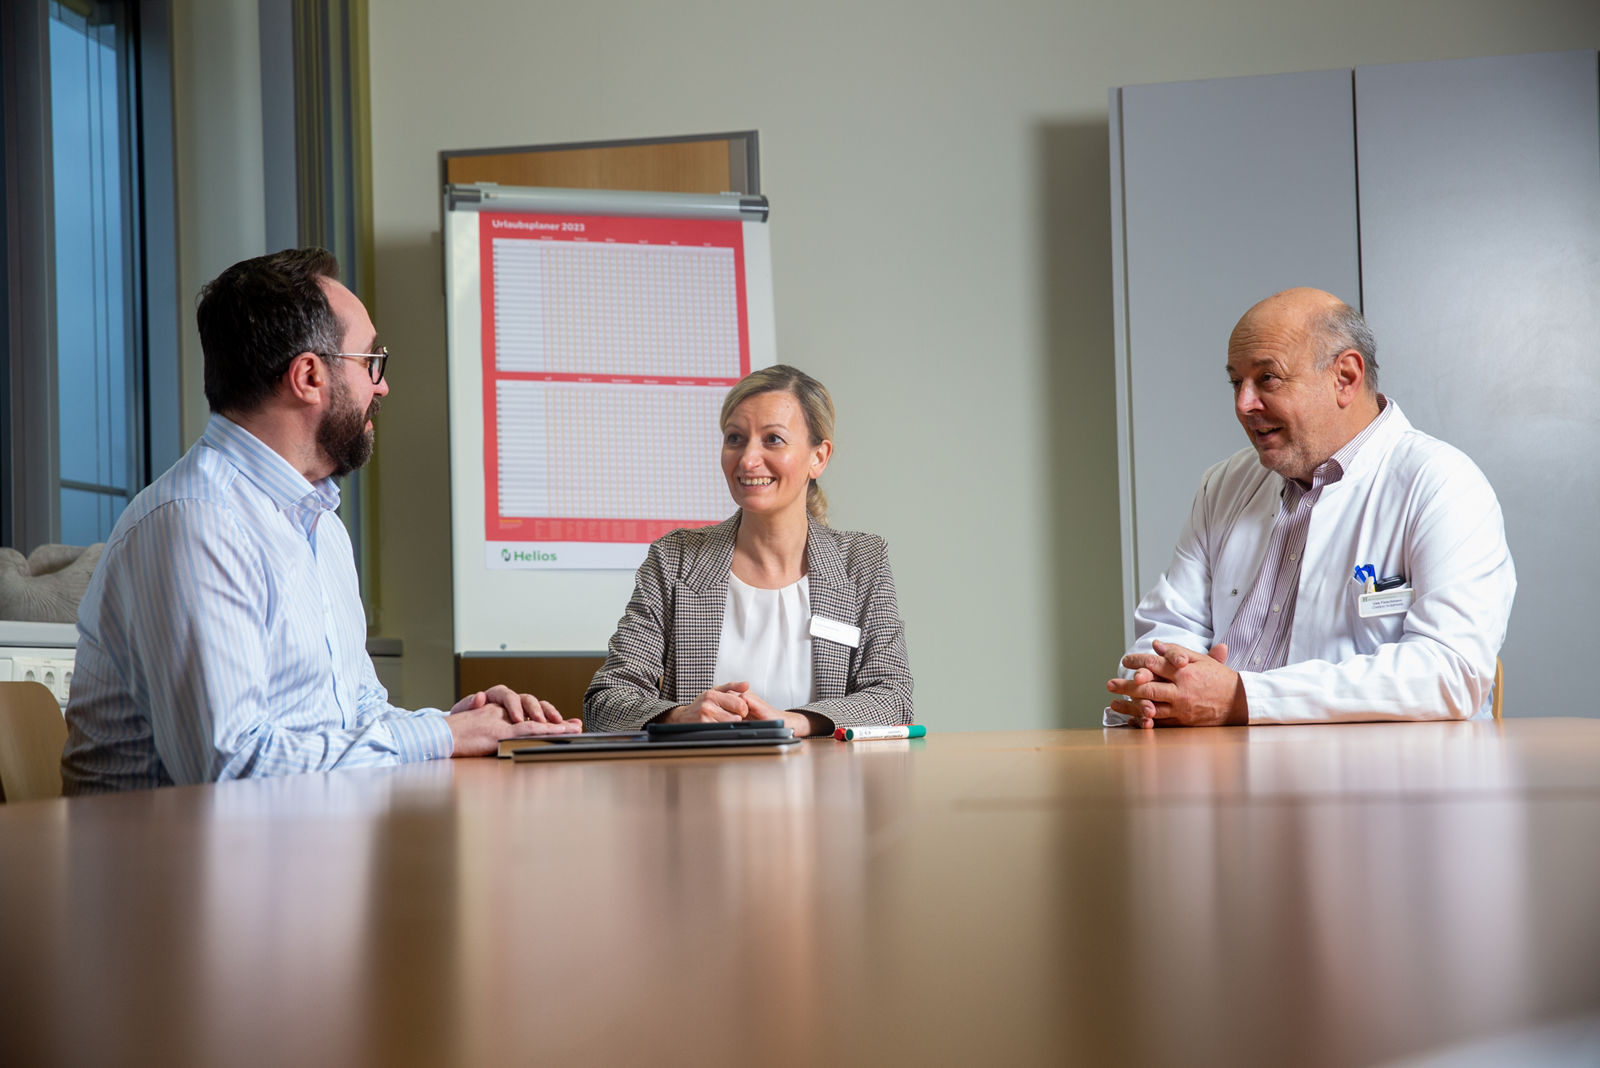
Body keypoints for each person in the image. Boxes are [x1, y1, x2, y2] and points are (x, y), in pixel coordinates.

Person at [61, 248, 580, 794]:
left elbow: (356, 716)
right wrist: (442, 734)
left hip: (292, 853)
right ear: (309, 375)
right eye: (369, 362)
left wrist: (476, 724)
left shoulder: (318, 522)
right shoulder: (196, 523)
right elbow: (229, 769)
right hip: (170, 870)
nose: (381, 386)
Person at [1105, 287, 1515, 727]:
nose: (1243, 404)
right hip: (1220, 768)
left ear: (1345, 377)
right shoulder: (1223, 485)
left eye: (1267, 379)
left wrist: (1243, 698)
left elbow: (1451, 672)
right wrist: (1162, 689)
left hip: (1382, 780)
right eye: (1235, 382)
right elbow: (1166, 631)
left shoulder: (1442, 484)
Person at [584, 364, 913, 737]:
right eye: (735, 438)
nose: (747, 460)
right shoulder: (674, 558)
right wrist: (680, 717)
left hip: (826, 791)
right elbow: (604, 703)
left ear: (818, 458)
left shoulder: (862, 560)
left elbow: (893, 698)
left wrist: (796, 721)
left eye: (772, 439)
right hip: (699, 789)